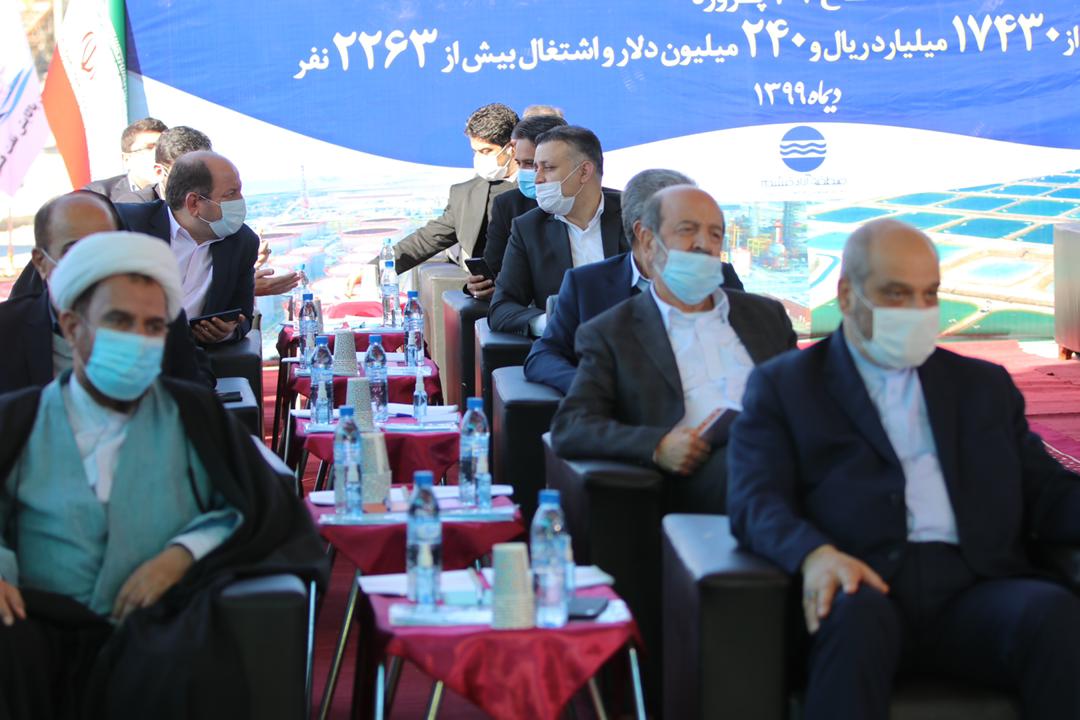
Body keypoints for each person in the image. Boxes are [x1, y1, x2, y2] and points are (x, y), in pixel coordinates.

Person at [726, 218, 1080, 719]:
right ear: (847, 295)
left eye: (928, 294)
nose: (917, 311)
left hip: (974, 587)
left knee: (1052, 614)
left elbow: (1047, 491)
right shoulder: (786, 386)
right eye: (896, 294)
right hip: (861, 585)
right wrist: (814, 555)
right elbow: (755, 500)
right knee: (854, 620)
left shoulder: (982, 386)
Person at [0, 230, 326, 718]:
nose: (136, 340)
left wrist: (182, 554)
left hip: (159, 627)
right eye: (118, 321)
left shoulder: (193, 414)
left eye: (152, 326)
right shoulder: (16, 421)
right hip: (32, 627)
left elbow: (257, 512)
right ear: (71, 325)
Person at [550, 186, 795, 513]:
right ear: (648, 241)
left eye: (715, 234)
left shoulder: (765, 315)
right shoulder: (612, 333)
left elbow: (804, 395)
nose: (703, 244)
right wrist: (658, 444)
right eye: (687, 230)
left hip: (788, 452)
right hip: (710, 472)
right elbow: (571, 427)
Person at [524, 169, 743, 395]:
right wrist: (594, 387)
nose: (702, 243)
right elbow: (543, 356)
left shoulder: (721, 278)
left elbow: (753, 353)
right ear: (644, 234)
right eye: (686, 229)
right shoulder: (586, 285)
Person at [0, 193, 212, 393]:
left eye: (104, 247)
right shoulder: (7, 329)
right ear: (41, 262)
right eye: (74, 251)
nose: (92, 262)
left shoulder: (158, 316)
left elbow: (198, 391)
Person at [488, 125, 627, 336]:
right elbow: (501, 309)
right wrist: (551, 322)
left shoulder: (636, 216)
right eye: (536, 168)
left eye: (548, 168)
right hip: (568, 346)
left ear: (584, 171)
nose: (537, 179)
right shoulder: (528, 229)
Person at [116, 151, 258, 345]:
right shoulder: (128, 225)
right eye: (230, 193)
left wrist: (227, 332)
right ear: (193, 203)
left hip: (190, 355)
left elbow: (244, 317)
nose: (240, 200)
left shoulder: (242, 242)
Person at [392, 103, 520, 294]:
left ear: (511, 148)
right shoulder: (466, 194)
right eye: (475, 151)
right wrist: (378, 267)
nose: (479, 158)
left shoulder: (538, 188)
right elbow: (429, 238)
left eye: (486, 151)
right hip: (483, 297)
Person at [480, 113, 568, 288]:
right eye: (519, 163)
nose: (525, 172)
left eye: (531, 163)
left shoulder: (605, 207)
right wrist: (481, 286)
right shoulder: (507, 205)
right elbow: (493, 272)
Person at [83, 118, 168, 202]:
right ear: (126, 159)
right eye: (149, 148)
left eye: (162, 147)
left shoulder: (175, 192)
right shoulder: (96, 195)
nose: (159, 153)